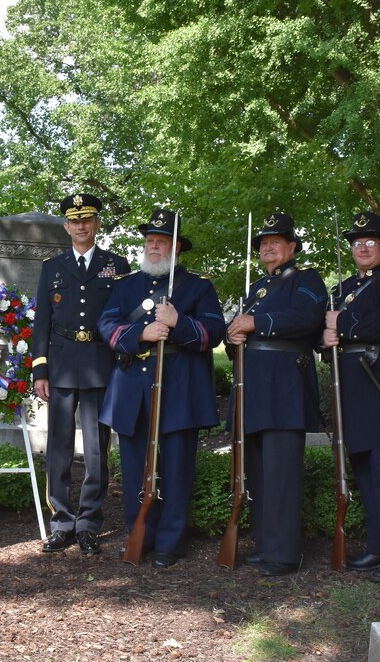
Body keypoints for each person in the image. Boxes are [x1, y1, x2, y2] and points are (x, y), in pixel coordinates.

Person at [98, 208, 225, 568]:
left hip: (179, 389)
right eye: (150, 241)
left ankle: (170, 542)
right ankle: (140, 533)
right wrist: (141, 332)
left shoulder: (199, 286)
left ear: (176, 247)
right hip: (133, 390)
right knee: (136, 464)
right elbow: (106, 324)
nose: (153, 247)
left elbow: (214, 330)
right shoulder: (126, 285)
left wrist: (178, 322)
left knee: (176, 466)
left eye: (161, 241)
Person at [226, 212, 327, 576]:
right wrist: (232, 334)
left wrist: (256, 324)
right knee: (257, 472)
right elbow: (240, 325)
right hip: (252, 389)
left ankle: (284, 554)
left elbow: (306, 318)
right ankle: (266, 545)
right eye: (263, 243)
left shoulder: (306, 279)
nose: (268, 247)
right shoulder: (257, 288)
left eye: (276, 242)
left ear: (292, 247)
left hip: (284, 387)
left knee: (281, 471)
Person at [32, 193, 131, 555]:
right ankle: (61, 521)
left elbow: (123, 316)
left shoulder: (116, 265)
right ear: (66, 226)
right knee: (57, 447)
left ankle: (89, 521)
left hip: (99, 365)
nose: (80, 226)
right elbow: (42, 322)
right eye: (74, 221)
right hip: (59, 366)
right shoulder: (52, 268)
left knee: (95, 450)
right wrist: (39, 367)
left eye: (87, 219)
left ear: (97, 224)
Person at [322, 212, 380, 582]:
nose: (362, 248)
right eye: (356, 242)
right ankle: (378, 544)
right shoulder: (341, 289)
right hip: (350, 386)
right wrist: (325, 337)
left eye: (370, 242)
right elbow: (324, 332)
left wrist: (342, 326)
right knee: (364, 470)